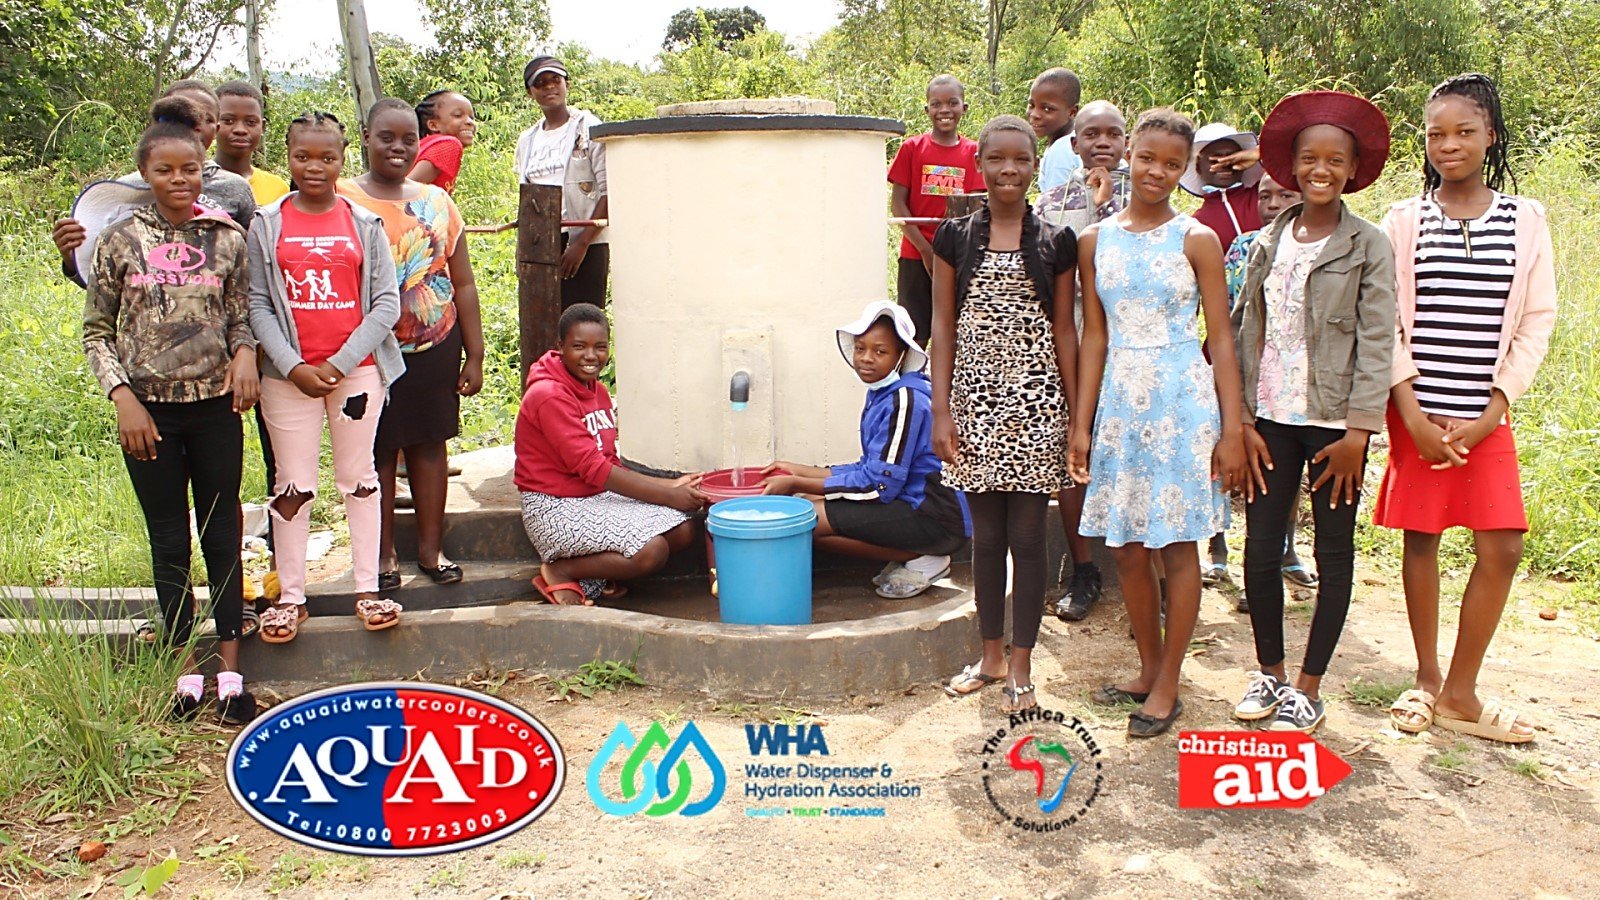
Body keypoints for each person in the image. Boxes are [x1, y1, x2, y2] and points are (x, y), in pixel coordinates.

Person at [1379, 74, 1555, 745]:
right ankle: (1425, 680)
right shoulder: (1405, 218)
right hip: (1417, 413)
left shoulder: (1525, 219)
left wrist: (1493, 410)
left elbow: (1537, 320)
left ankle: (1462, 689)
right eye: (1436, 134)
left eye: (1464, 132)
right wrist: (1414, 412)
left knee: (1502, 545)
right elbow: (1388, 321)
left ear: (1492, 136)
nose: (1448, 145)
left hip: (1486, 416)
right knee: (1420, 540)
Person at [82, 97, 258, 724]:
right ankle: (185, 665)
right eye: (165, 171)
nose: (179, 180)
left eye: (190, 169)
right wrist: (122, 396)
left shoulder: (226, 237)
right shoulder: (120, 241)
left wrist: (245, 355)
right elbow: (97, 331)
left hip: (214, 409)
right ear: (146, 175)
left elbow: (241, 313)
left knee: (222, 532)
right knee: (168, 538)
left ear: (203, 166)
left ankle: (231, 668)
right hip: (149, 415)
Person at [1072, 108, 1246, 738]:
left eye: (1173, 164)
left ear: (1185, 170)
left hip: (1181, 401)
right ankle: (1147, 667)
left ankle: (1169, 680)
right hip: (1120, 400)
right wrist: (1081, 422)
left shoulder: (1197, 239)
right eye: (1148, 158)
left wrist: (1231, 428)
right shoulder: (1096, 241)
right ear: (1129, 155)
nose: (1157, 172)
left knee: (1176, 545)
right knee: (1125, 548)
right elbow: (1094, 338)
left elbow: (1220, 340)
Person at [1230, 91, 1396, 734]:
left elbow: (1378, 339)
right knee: (1262, 547)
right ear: (1291, 167)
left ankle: (1309, 686)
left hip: (1333, 428)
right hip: (1269, 416)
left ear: (1352, 169)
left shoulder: (1368, 244)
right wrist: (1240, 419)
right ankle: (1269, 674)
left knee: (1333, 551)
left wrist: (1359, 431)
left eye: (1334, 159)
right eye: (1308, 158)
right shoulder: (1268, 239)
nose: (1319, 169)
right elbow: (1245, 328)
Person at [930, 115, 1078, 712]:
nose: (1009, 169)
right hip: (974, 402)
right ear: (980, 165)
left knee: (1026, 535)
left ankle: (1022, 664)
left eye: (1021, 159)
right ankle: (989, 657)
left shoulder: (1055, 242)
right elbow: (942, 326)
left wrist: (1075, 416)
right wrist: (941, 411)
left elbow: (1066, 329)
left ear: (1034, 166)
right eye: (997, 159)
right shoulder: (954, 238)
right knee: (985, 539)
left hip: (1039, 403)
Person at [247, 111, 405, 642]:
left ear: (343, 158)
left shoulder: (364, 225)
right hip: (286, 380)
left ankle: (367, 588)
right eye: (303, 157)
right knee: (293, 484)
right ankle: (291, 597)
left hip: (357, 374)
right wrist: (292, 365)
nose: (315, 167)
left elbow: (385, 303)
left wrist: (338, 364)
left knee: (360, 481)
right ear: (287, 158)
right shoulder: (266, 224)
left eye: (327, 157)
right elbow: (257, 304)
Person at [340, 98, 485, 591]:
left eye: (408, 139)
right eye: (387, 137)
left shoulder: (437, 202)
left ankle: (430, 549)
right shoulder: (341, 198)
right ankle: (383, 555)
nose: (399, 147)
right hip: (367, 351)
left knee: (429, 446)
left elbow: (461, 281)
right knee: (376, 452)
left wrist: (475, 352)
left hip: (436, 344)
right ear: (365, 137)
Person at [761, 301, 971, 599]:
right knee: (808, 503)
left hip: (935, 517)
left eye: (880, 351)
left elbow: (879, 485)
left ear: (901, 356)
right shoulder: (884, 394)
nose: (866, 359)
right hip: (908, 503)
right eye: (860, 348)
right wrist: (798, 470)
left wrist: (796, 482)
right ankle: (911, 554)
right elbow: (869, 467)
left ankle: (924, 557)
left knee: (804, 520)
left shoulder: (905, 400)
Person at [514, 304, 704, 605]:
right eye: (579, 346)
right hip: (555, 509)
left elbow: (609, 462)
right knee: (651, 550)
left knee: (682, 528)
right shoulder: (547, 396)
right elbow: (595, 470)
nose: (591, 356)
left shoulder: (597, 391)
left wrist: (671, 485)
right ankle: (561, 570)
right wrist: (668, 496)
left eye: (600, 347)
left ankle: (598, 575)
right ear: (560, 347)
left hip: (595, 499)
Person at [1036, 99, 1130, 621]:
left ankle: (1151, 573)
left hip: (1134, 354)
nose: (1101, 142)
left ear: (1126, 143)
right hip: (1071, 351)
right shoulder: (1051, 205)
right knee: (1070, 459)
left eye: (1112, 133)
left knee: (1132, 457)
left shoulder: (1151, 196)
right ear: (1073, 144)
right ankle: (1085, 569)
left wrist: (1109, 205)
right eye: (1090, 133)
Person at [1209, 171, 1312, 607]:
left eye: (1283, 194)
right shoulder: (1241, 247)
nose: (1272, 202)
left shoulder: (1318, 247)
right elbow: (1228, 315)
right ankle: (1217, 548)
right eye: (1265, 195)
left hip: (1292, 377)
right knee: (1221, 460)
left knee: (1279, 472)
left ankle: (1280, 551)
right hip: (1236, 365)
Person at [53, 79, 256, 285]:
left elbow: (250, 269)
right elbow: (106, 284)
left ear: (217, 127)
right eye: (179, 117)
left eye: (205, 119)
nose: (193, 127)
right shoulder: (124, 193)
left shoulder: (235, 189)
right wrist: (73, 259)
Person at [887, 74, 986, 346]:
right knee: (912, 333)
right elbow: (898, 205)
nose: (944, 110)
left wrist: (950, 250)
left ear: (964, 108)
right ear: (927, 109)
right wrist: (925, 249)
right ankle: (912, 387)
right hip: (915, 255)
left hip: (957, 255)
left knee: (957, 330)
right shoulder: (912, 149)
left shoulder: (974, 152)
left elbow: (974, 208)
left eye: (952, 103)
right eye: (936, 104)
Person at [514, 56, 609, 308]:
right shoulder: (528, 139)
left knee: (583, 318)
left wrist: (582, 243)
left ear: (567, 84)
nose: (549, 87)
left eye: (555, 80)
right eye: (540, 83)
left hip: (585, 240)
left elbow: (609, 192)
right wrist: (521, 251)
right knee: (543, 319)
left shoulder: (587, 127)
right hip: (540, 242)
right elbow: (525, 197)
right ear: (530, 92)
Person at [1181, 123, 1263, 249]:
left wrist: (1259, 153)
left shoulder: (1265, 195)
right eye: (1215, 160)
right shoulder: (1198, 224)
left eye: (1232, 158)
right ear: (1198, 167)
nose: (1225, 165)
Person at [214, 80, 290, 205]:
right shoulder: (195, 181)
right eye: (228, 120)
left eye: (251, 122)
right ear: (212, 122)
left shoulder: (278, 189)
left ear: (263, 127)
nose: (240, 130)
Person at [409, 90, 476, 194]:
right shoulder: (449, 145)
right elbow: (406, 188)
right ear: (433, 125)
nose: (469, 122)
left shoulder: (426, 145)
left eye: (471, 117)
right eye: (458, 115)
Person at [1026, 68, 1082, 192]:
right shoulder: (1071, 142)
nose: (1035, 114)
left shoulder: (1061, 151)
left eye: (1047, 109)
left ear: (1072, 112)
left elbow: (1058, 206)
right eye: (1031, 105)